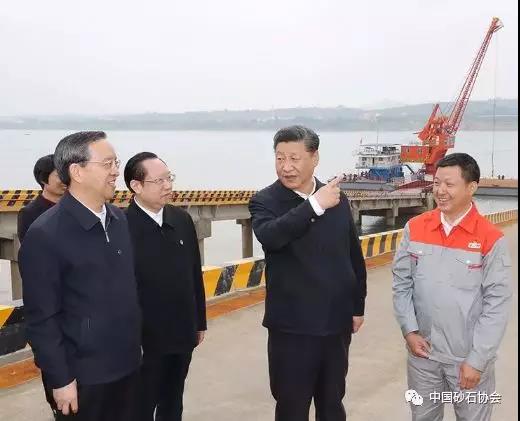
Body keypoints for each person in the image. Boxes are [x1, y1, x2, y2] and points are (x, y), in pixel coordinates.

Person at [18, 131, 142, 421]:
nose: (116, 171)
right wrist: (60, 378)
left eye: (116, 162)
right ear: (77, 171)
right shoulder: (45, 234)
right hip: (84, 377)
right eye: (108, 164)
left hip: (128, 365)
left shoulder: (118, 219)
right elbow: (41, 318)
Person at [249, 125, 367, 421]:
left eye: (294, 158)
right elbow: (272, 236)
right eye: (280, 158)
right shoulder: (265, 201)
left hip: (335, 322)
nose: (286, 167)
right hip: (292, 327)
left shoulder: (337, 199)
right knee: (291, 407)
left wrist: (357, 306)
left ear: (314, 158)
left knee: (332, 403)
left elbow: (353, 255)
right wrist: (314, 205)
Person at [392, 153, 512, 421]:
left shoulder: (490, 239)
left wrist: (477, 360)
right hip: (423, 356)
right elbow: (401, 283)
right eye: (437, 183)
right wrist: (409, 330)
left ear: (471, 187)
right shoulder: (415, 227)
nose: (440, 191)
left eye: (449, 184)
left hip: (467, 359)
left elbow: (497, 305)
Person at [124, 152, 207, 421]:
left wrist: (199, 322)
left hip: (182, 333)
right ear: (136, 186)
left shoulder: (181, 219)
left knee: (173, 401)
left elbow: (194, 272)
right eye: (159, 181)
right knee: (140, 406)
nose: (168, 186)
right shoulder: (122, 226)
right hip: (144, 339)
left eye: (169, 178)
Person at [17, 154, 66, 242]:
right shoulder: (29, 213)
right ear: (43, 179)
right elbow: (30, 247)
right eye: (60, 175)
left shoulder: (78, 207)